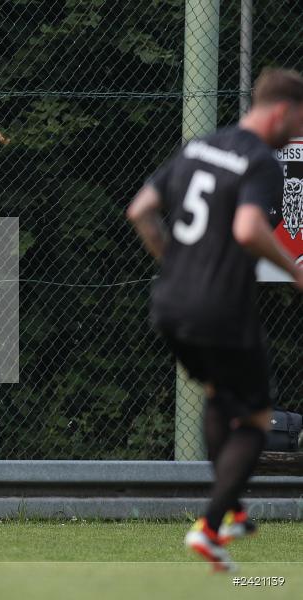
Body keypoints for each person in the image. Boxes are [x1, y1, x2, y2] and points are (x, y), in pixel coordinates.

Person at [127, 68, 303, 571]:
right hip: (222, 307)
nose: (296, 134)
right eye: (298, 122)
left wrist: (178, 265)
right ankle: (210, 526)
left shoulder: (200, 145)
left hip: (170, 303)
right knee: (254, 417)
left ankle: (232, 510)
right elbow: (249, 228)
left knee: (216, 397)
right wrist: (295, 272)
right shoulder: (261, 161)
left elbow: (140, 210)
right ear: (282, 110)